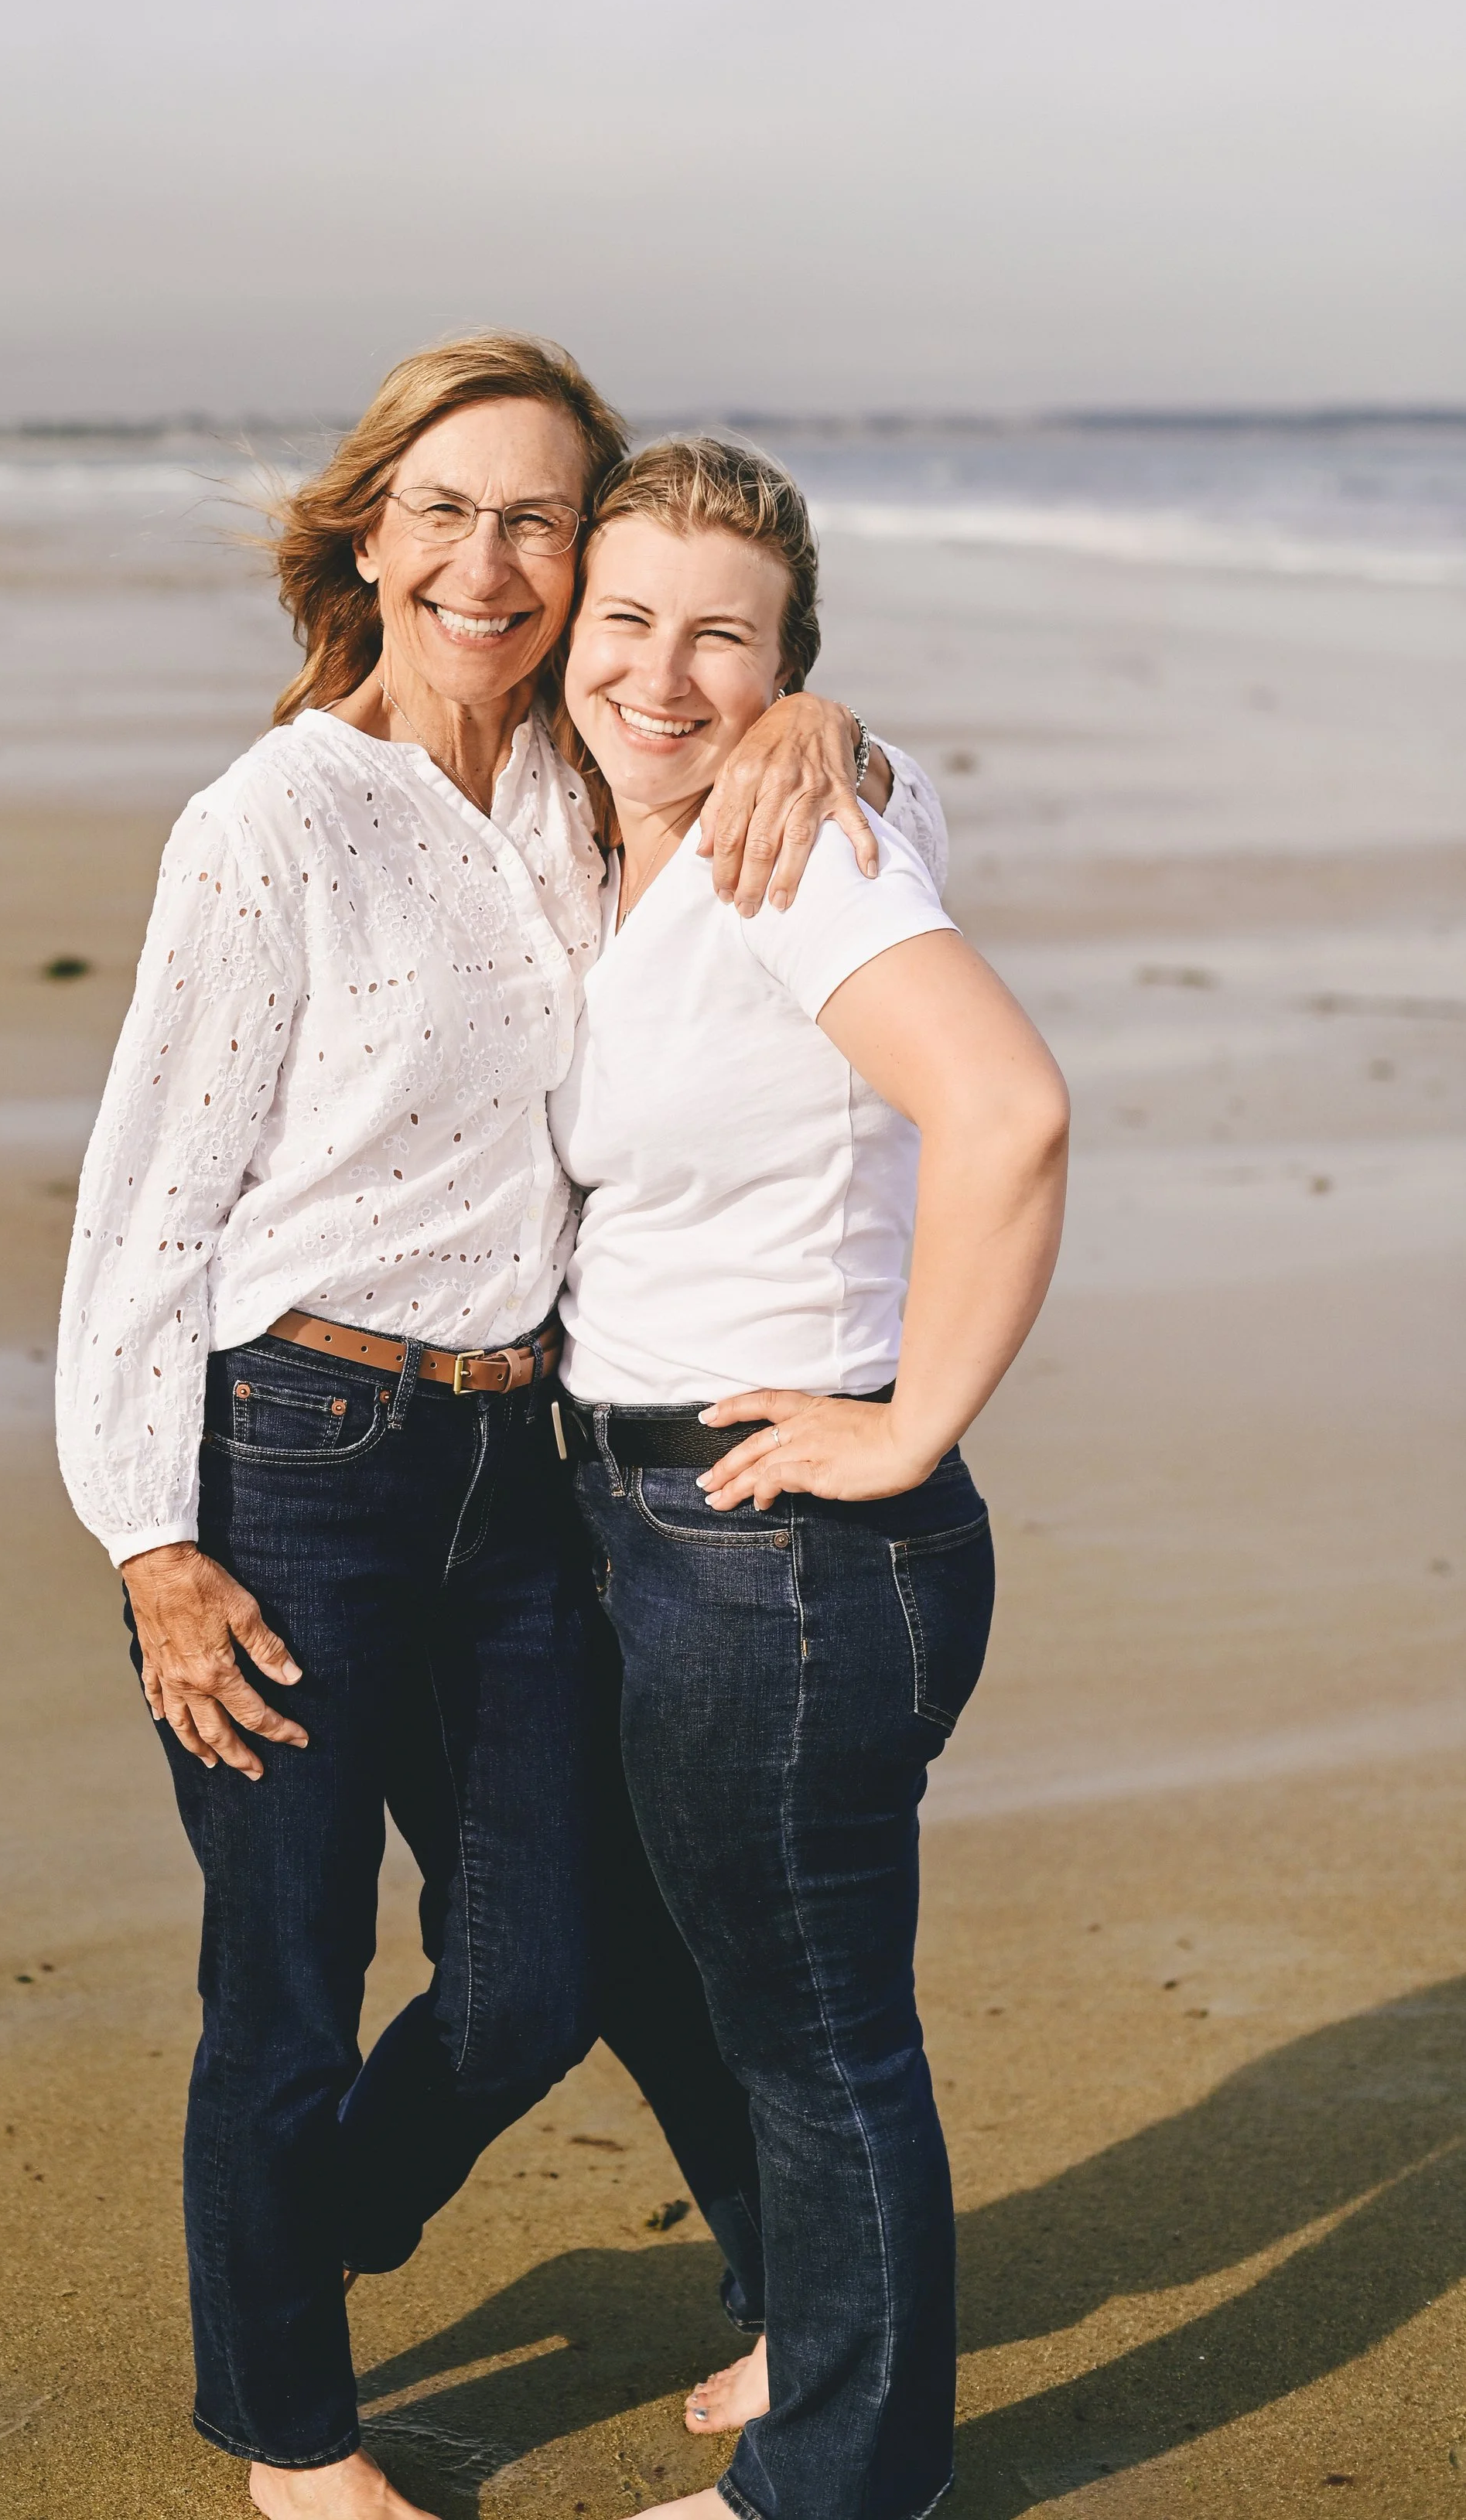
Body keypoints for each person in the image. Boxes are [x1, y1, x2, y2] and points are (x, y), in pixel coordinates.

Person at [54, 336, 940, 2520]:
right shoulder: (269, 821)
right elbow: (144, 1207)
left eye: (538, 515)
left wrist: (824, 711)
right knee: (282, 1977)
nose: (492, 554)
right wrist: (149, 1546)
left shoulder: (575, 772)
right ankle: (291, 2434)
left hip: (513, 1463)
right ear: (369, 530)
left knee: (541, 1967)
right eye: (443, 506)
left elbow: (744, 725)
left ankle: (310, 2224)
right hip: (290, 1455)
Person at [551, 437, 1070, 2520]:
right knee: (689, 1964)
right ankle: (810, 2311)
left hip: (774, 1542)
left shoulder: (803, 839)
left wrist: (912, 1417)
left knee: (816, 2025)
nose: (662, 671)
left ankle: (842, 2481)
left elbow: (1008, 1106)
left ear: (790, 668)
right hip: (664, 1526)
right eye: (627, 618)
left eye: (726, 637)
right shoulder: (679, 823)